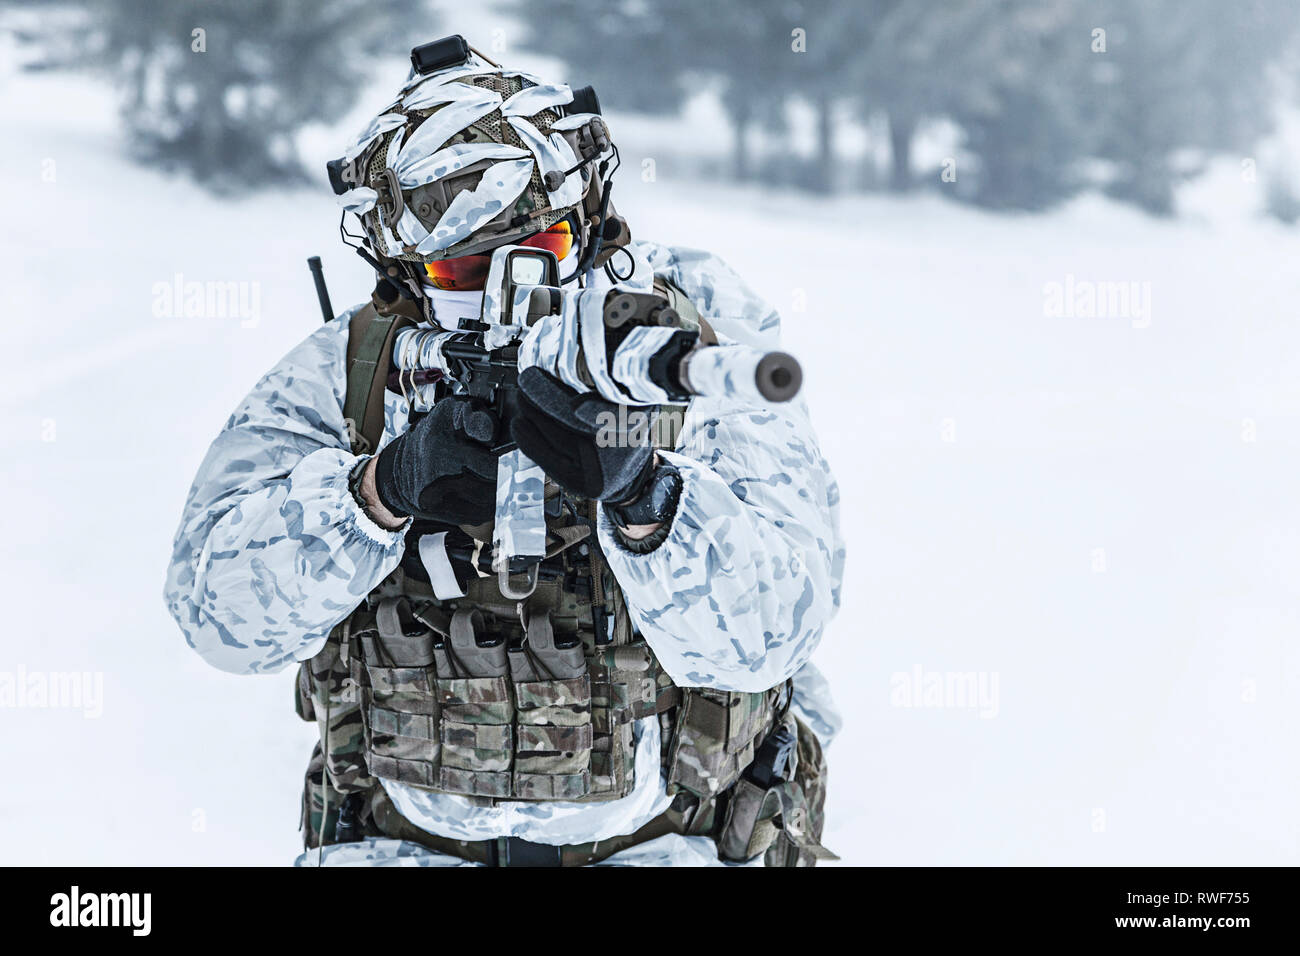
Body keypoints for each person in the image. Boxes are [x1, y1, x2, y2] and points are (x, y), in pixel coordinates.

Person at [164, 37, 845, 867]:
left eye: (542, 251)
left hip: (671, 846)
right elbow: (217, 621)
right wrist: (379, 490)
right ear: (403, 273)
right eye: (460, 270)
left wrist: (645, 496)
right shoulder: (358, 369)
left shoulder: (685, 339)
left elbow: (777, 629)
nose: (505, 294)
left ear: (589, 225)